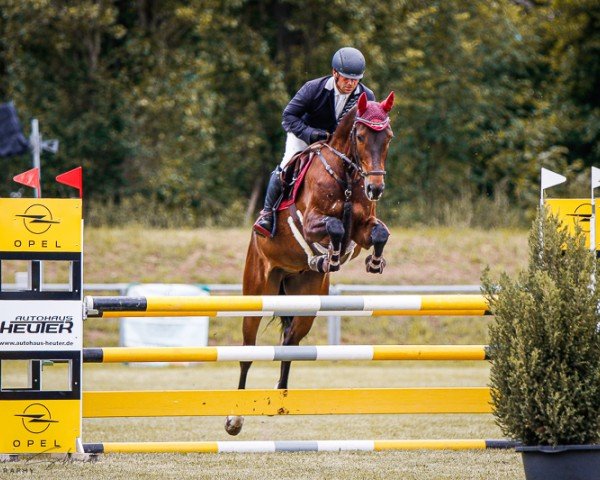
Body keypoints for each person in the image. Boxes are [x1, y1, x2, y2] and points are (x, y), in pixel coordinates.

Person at [253, 47, 376, 238]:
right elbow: (288, 116)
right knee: (287, 164)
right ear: (334, 73)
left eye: (356, 79)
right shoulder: (313, 88)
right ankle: (267, 214)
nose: (351, 83)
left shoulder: (366, 96)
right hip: (304, 135)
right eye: (346, 78)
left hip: (339, 146)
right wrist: (311, 134)